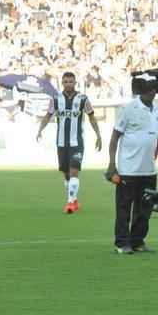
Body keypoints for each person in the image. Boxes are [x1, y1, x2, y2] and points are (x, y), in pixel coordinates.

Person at [106, 78, 158, 254]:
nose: (152, 92)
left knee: (144, 209)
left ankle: (138, 241)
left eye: (154, 89)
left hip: (149, 170)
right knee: (124, 208)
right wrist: (111, 164)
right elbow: (115, 136)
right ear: (141, 91)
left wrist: (157, 148)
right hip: (128, 170)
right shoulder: (129, 108)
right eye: (148, 89)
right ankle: (122, 243)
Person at [35, 72, 103, 213]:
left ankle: (70, 203)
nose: (68, 84)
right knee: (66, 175)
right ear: (62, 83)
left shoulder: (83, 99)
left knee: (73, 172)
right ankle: (74, 199)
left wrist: (98, 135)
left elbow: (92, 118)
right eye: (65, 82)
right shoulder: (55, 99)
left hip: (76, 143)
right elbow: (48, 116)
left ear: (75, 83)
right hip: (61, 143)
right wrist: (40, 130)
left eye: (71, 81)